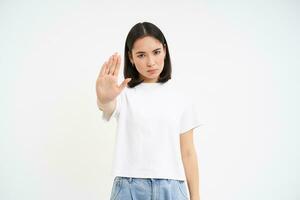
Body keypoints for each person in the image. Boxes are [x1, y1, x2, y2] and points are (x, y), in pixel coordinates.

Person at [95, 22, 202, 200]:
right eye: (141, 55)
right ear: (130, 57)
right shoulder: (123, 93)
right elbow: (106, 106)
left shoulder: (181, 97)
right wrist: (104, 98)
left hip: (172, 189)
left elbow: (188, 152)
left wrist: (196, 197)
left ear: (165, 50)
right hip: (128, 188)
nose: (151, 62)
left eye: (156, 52)